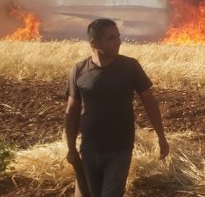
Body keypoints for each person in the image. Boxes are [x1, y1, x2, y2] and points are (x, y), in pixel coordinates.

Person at [65, 18, 169, 197]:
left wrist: (161, 137)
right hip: (89, 148)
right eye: (111, 38)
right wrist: (71, 148)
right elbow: (71, 111)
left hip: (119, 149)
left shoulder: (130, 66)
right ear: (94, 43)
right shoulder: (79, 70)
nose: (118, 41)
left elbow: (149, 102)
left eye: (118, 36)